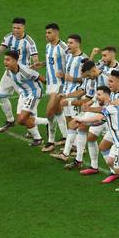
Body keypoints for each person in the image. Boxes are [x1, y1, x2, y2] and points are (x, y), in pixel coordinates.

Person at [0, 17, 39, 133]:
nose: (16, 30)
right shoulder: (9, 37)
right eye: (14, 27)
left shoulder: (29, 42)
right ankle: (10, 120)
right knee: (1, 95)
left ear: (23, 28)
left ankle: (34, 127)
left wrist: (35, 64)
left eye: (18, 28)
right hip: (9, 73)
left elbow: (35, 58)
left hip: (22, 75)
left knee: (28, 100)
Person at [32, 23, 68, 152]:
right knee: (58, 111)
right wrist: (40, 64)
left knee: (49, 112)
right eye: (46, 33)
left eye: (49, 33)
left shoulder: (64, 47)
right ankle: (65, 137)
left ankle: (50, 141)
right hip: (51, 84)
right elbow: (50, 62)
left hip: (61, 84)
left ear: (56, 33)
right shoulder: (48, 46)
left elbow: (74, 61)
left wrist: (66, 77)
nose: (46, 35)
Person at [1, 50, 45, 146]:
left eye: (8, 60)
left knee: (22, 119)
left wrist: (53, 89)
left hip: (34, 92)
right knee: (21, 120)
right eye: (4, 59)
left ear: (15, 61)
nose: (5, 62)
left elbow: (42, 79)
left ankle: (39, 136)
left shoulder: (25, 71)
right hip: (25, 93)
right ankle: (46, 124)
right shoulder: (9, 72)